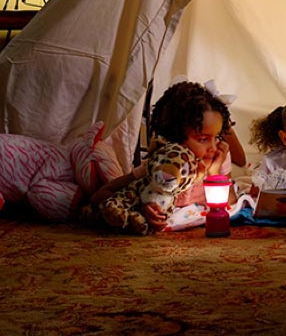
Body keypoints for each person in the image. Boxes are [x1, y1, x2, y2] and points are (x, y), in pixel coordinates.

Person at [87, 81, 235, 232]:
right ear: (176, 137)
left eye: (216, 137)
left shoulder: (219, 158)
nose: (213, 147)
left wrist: (214, 174)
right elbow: (100, 195)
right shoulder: (162, 166)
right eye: (203, 139)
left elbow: (231, 201)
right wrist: (143, 206)